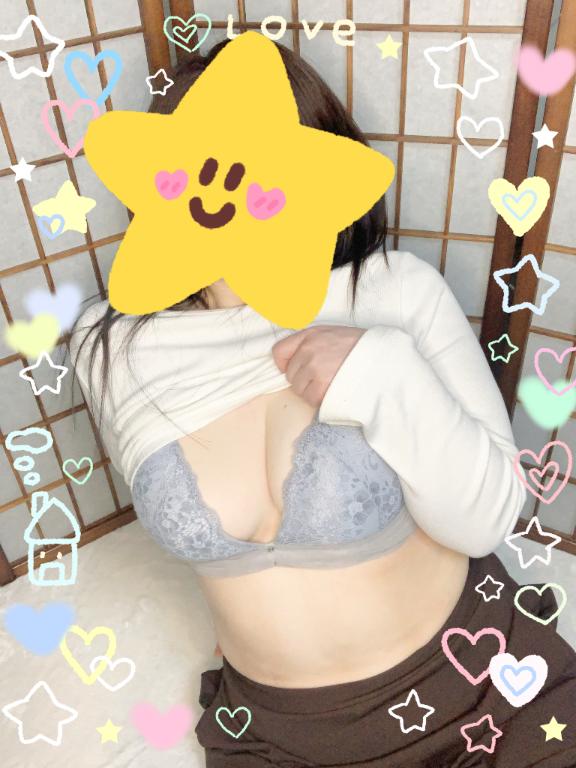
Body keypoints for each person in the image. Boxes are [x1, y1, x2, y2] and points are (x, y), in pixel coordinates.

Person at [70, 36, 576, 768]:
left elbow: (486, 520)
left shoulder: (392, 293)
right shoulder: (113, 347)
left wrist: (380, 369)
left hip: (477, 689)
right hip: (274, 732)